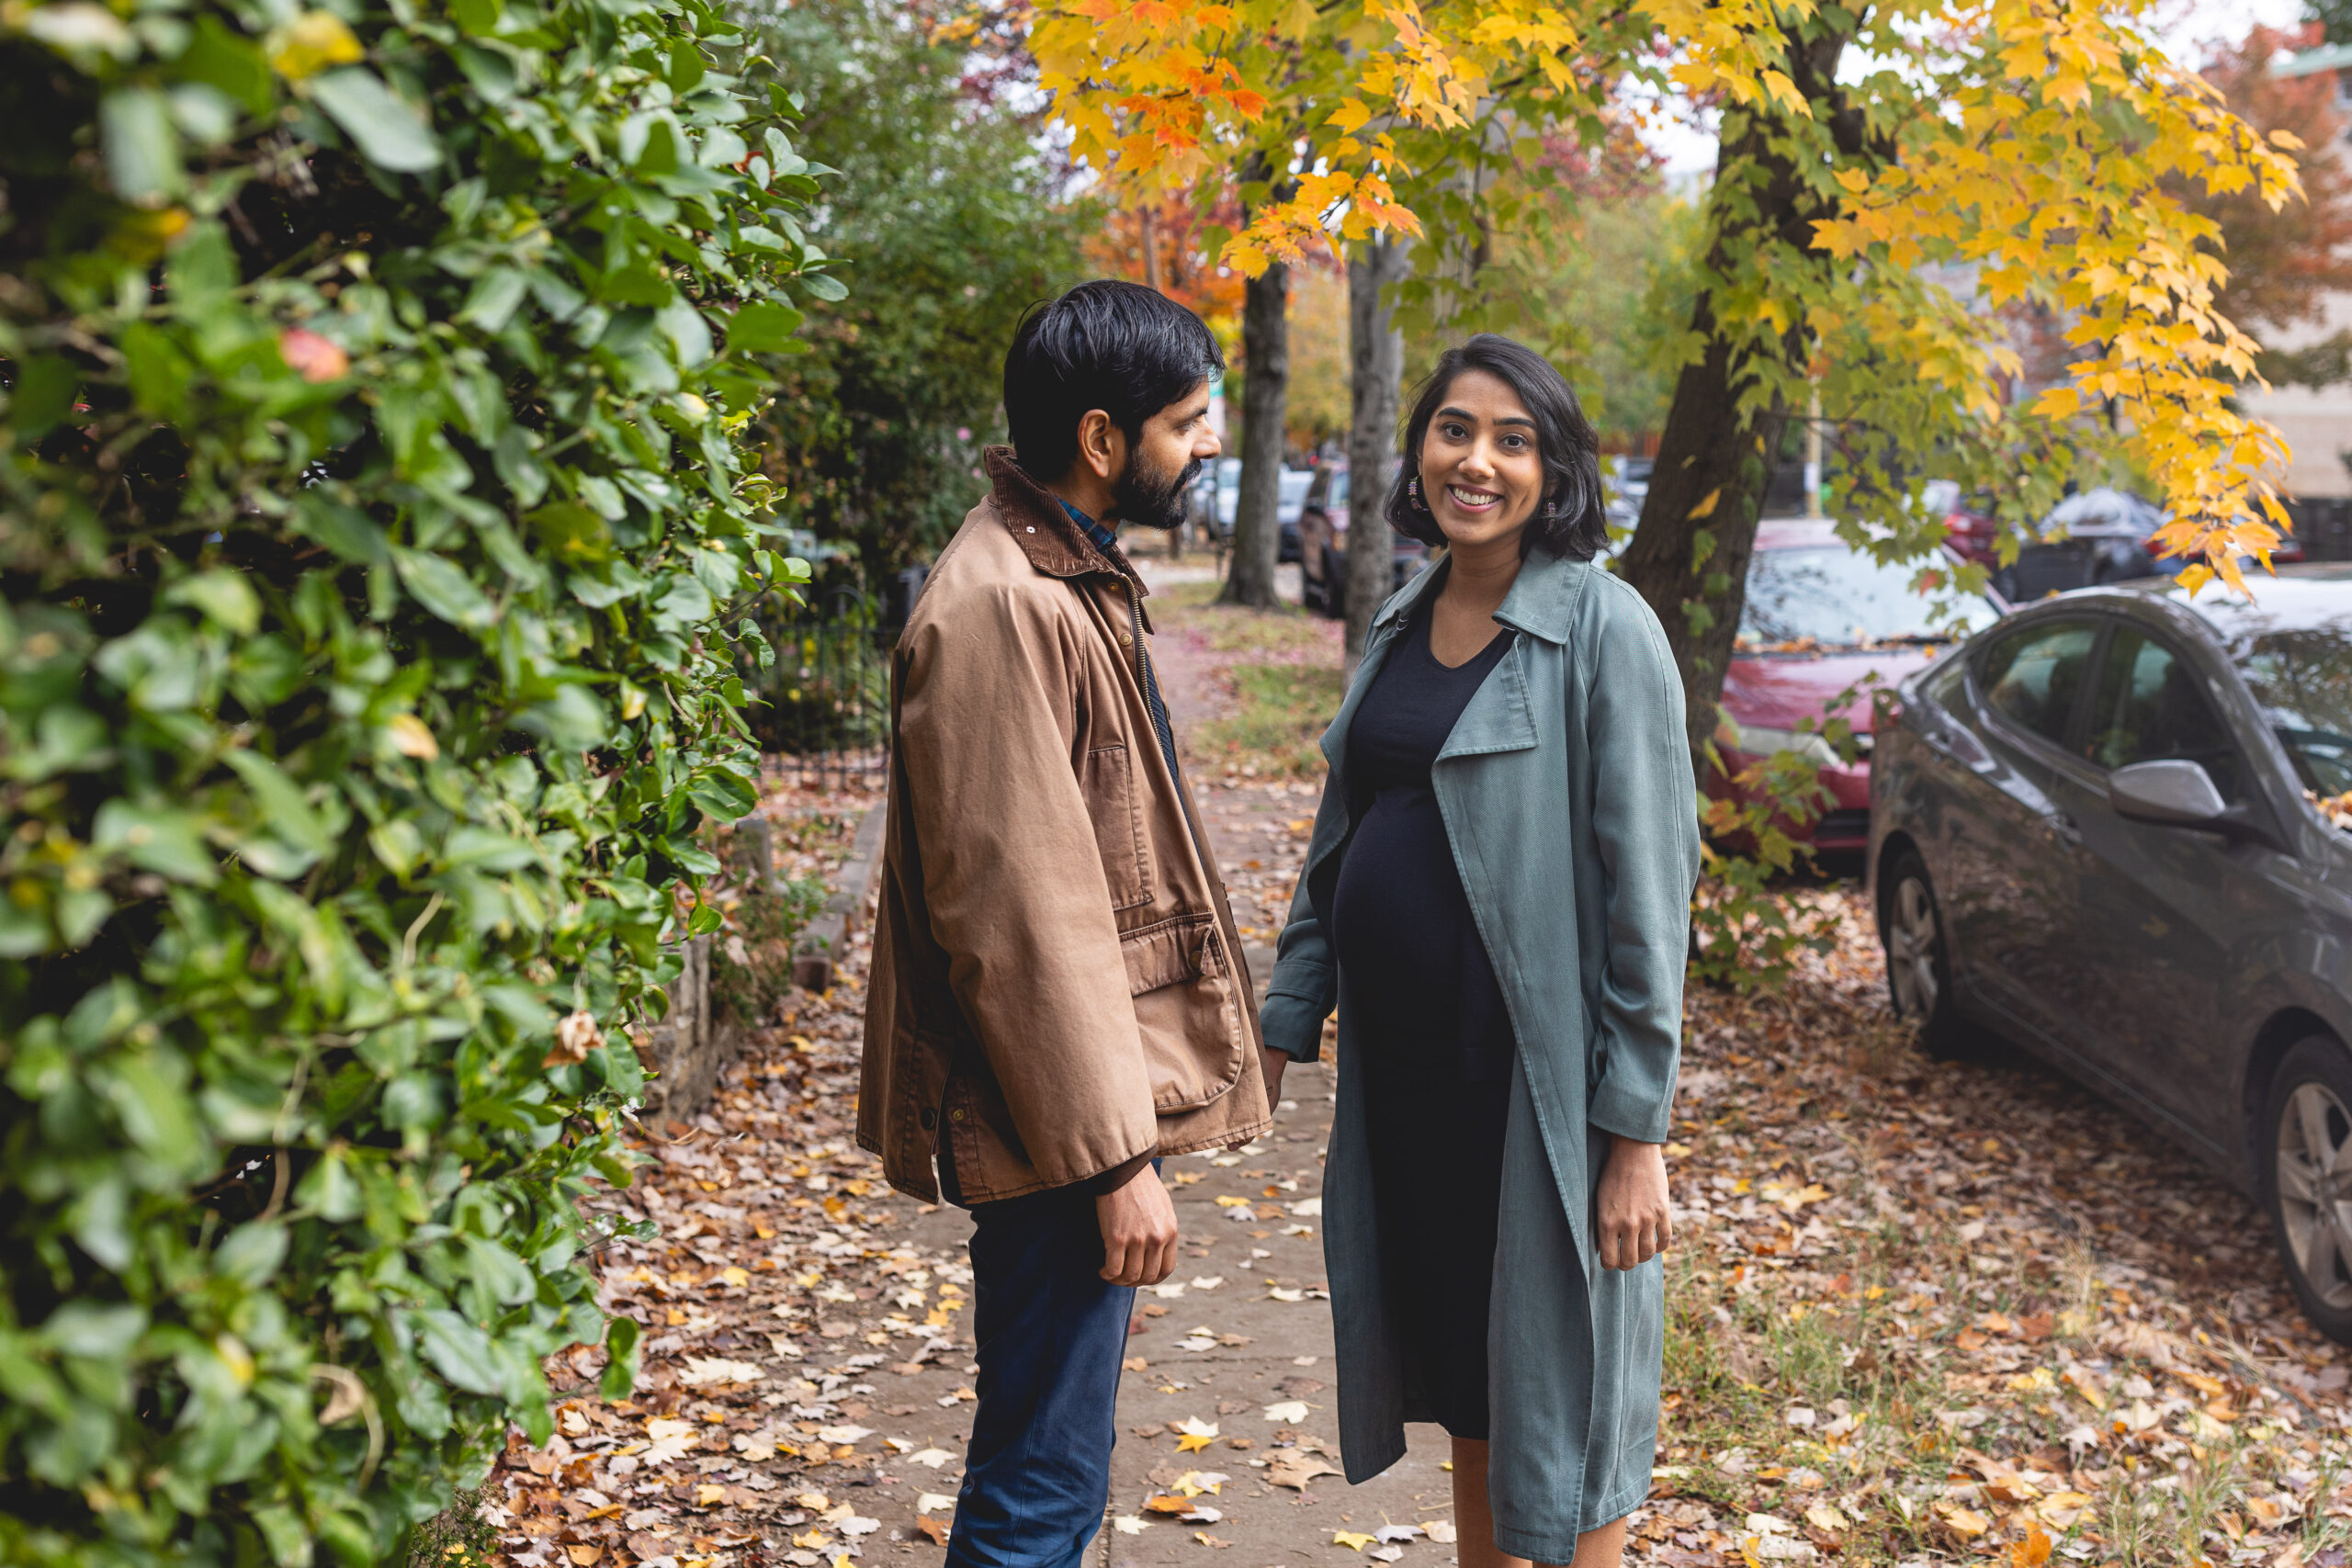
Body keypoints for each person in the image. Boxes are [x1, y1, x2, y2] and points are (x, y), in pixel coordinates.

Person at [857, 279, 1287, 1568]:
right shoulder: (1001, 605)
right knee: (1041, 1480)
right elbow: (1023, 916)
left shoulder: (1061, 576)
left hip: (1062, 1107)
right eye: (1188, 422)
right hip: (1052, 1126)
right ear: (1103, 442)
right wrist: (1116, 1163)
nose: (1209, 443)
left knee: (1054, 1458)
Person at [1261, 335, 1701, 1568]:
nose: (1479, 461)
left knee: (1563, 1427)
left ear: (1554, 471)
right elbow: (1341, 836)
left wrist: (1638, 1135)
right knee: (1473, 1398)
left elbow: (1651, 902)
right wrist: (1283, 1022)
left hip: (1536, 1109)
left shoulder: (1607, 632)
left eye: (1515, 441)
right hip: (1411, 1098)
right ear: (1420, 450)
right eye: (1456, 430)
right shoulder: (1406, 612)